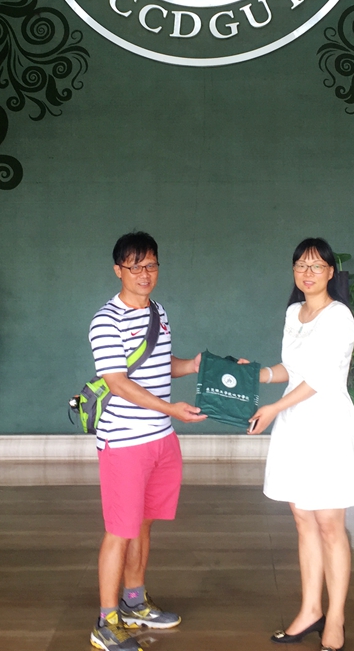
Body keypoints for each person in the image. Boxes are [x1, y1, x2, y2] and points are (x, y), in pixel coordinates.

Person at [247, 237, 354, 651]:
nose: (308, 272)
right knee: (303, 519)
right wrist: (258, 374)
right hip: (295, 425)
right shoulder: (293, 313)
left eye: (317, 266)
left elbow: (319, 378)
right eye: (301, 265)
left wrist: (272, 408)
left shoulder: (339, 317)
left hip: (326, 426)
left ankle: (335, 618)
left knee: (330, 523)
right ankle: (310, 609)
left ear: (331, 273)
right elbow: (292, 368)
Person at [88, 231, 207, 651]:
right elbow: (118, 383)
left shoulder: (158, 311)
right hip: (124, 442)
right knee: (118, 531)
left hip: (161, 439)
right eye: (135, 266)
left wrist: (194, 365)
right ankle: (106, 622)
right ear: (118, 270)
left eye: (151, 265)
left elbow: (158, 364)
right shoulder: (106, 320)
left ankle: (134, 602)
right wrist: (170, 408)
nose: (144, 274)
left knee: (142, 524)